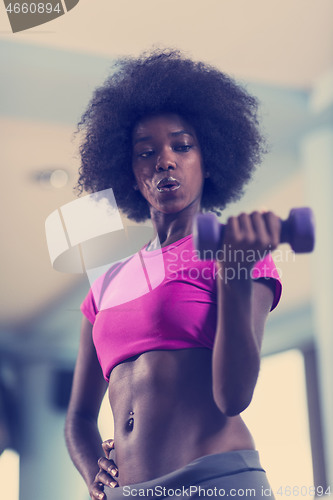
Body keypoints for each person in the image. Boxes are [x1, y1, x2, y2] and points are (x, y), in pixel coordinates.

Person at [65, 49, 282, 499]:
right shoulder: (105, 282)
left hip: (216, 481)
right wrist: (94, 474)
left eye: (182, 146)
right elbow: (79, 418)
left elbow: (234, 397)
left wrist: (235, 276)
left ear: (209, 160)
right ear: (131, 170)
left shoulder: (233, 250)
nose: (165, 160)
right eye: (147, 152)